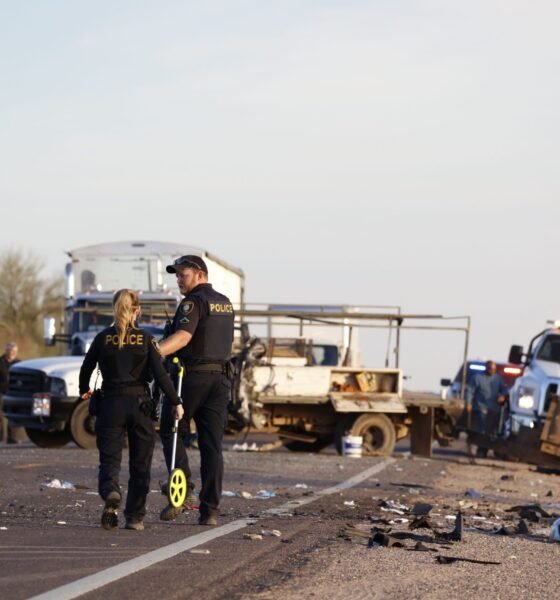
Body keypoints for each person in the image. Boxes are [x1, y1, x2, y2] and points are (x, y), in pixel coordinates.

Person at [79, 289, 183, 531]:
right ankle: (135, 517)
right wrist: (176, 402)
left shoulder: (102, 338)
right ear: (138, 310)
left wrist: (85, 389)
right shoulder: (146, 339)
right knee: (140, 463)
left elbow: (86, 368)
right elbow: (161, 375)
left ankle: (111, 492)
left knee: (109, 460)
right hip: (139, 406)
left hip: (110, 404)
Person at [158, 255, 234, 526]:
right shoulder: (225, 303)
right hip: (221, 380)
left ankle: (185, 489)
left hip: (191, 378)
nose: (179, 279)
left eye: (183, 274)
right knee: (212, 445)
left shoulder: (193, 302)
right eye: (176, 275)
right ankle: (210, 511)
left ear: (200, 274)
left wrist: (151, 353)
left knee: (171, 428)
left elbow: (183, 338)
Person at [468, 360, 508, 458]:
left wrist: (502, 395)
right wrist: (468, 403)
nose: (492, 370)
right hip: (481, 407)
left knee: (491, 431)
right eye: (490, 368)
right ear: (487, 368)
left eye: (494, 369)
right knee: (483, 429)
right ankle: (481, 450)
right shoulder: (477, 377)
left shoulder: (498, 379)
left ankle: (488, 449)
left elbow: (504, 389)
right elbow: (470, 391)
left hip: (494, 409)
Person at [0, 341, 20, 443]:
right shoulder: (0, 362)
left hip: (14, 393)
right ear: (5, 351)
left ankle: (12, 438)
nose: (11, 352)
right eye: (9, 350)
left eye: (13, 351)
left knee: (14, 415)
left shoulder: (20, 364)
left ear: (16, 352)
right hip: (1, 392)